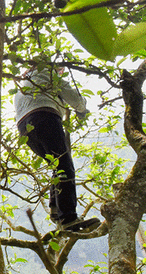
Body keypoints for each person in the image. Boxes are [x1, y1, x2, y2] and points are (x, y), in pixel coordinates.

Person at [15, 65, 100, 233]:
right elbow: (73, 96)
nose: (60, 72)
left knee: (57, 166)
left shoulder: (25, 82)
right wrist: (82, 109)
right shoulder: (47, 72)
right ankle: (68, 217)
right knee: (65, 167)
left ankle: (56, 211)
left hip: (25, 128)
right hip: (44, 116)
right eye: (60, 70)